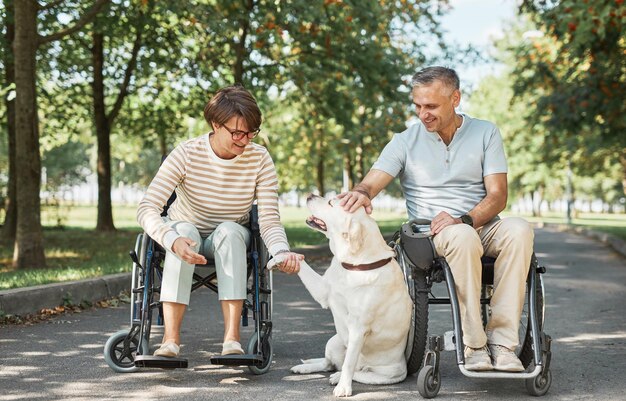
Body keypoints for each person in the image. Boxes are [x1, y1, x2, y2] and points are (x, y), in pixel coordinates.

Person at [339, 66, 533, 372]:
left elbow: (498, 196)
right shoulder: (405, 141)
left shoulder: (485, 132)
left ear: (455, 98)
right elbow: (373, 181)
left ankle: (503, 343)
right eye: (417, 105)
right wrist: (362, 192)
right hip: (432, 236)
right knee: (461, 237)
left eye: (431, 106)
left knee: (520, 229)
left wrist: (464, 218)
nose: (422, 114)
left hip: (476, 223)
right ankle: (474, 343)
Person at [137, 85, 303, 358]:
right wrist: (171, 239)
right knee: (185, 231)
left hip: (229, 237)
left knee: (230, 232)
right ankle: (169, 341)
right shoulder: (187, 153)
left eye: (251, 132)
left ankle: (232, 340)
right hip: (184, 231)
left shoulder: (259, 158)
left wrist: (280, 252)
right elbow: (147, 208)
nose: (245, 140)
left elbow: (269, 220)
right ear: (216, 124)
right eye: (237, 132)